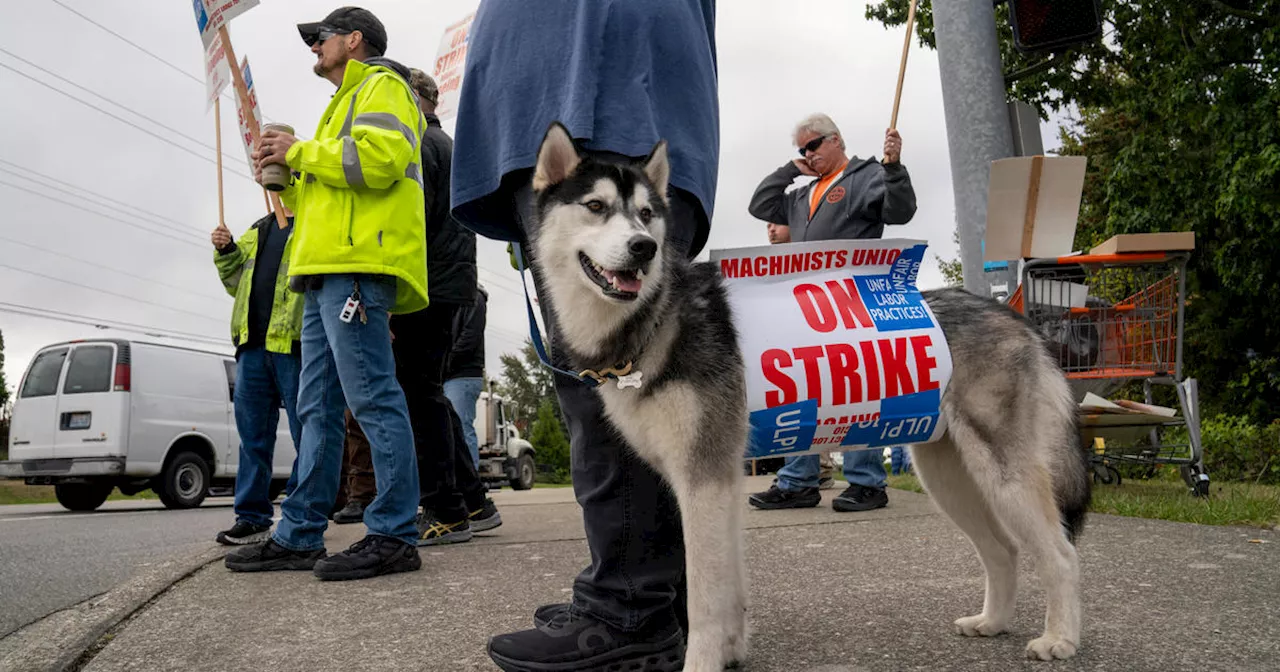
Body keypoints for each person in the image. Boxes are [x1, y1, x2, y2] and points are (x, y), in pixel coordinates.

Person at [449, 1, 719, 669]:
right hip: (612, 93)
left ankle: (631, 609)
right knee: (630, 381)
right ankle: (665, 600)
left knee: (610, 385)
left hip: (599, 92)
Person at [224, 6, 428, 581]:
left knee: (371, 397)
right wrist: (292, 176)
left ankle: (392, 533)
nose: (314, 45)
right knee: (316, 407)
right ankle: (299, 533)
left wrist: (299, 152)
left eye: (322, 37)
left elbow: (381, 163)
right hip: (324, 271)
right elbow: (336, 188)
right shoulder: (342, 104)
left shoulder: (384, 86)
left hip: (358, 265)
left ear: (354, 39)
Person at [746, 112, 917, 513]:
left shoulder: (866, 175)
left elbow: (900, 211)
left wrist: (893, 169)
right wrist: (792, 170)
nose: (808, 153)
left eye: (813, 145)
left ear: (836, 140)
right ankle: (798, 481)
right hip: (806, 307)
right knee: (800, 388)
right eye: (801, 149)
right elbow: (760, 204)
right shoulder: (803, 194)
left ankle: (867, 482)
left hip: (852, 301)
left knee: (856, 389)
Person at [401, 67, 501, 545]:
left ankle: (445, 509)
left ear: (415, 98)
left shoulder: (421, 145)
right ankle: (473, 502)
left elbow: (411, 222)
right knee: (428, 397)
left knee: (421, 399)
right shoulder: (448, 145)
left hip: (426, 286)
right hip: (447, 283)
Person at [211, 211, 303, 546]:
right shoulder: (259, 228)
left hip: (295, 343)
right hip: (252, 345)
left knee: (306, 431)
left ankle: (299, 512)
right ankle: (251, 518)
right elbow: (235, 284)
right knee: (252, 438)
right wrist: (226, 251)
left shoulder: (313, 218)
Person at [764, 220, 835, 489]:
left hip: (818, 344)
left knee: (821, 404)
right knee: (799, 403)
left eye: (777, 224)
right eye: (767, 225)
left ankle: (818, 470)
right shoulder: (772, 264)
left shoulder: (812, 256)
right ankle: (807, 472)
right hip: (792, 347)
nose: (770, 230)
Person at [445, 284, 488, 470]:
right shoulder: (452, 298)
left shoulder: (475, 298)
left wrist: (444, 363)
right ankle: (457, 484)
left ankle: (469, 486)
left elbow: (469, 337)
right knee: (450, 432)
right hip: (449, 376)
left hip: (463, 375)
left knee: (461, 430)